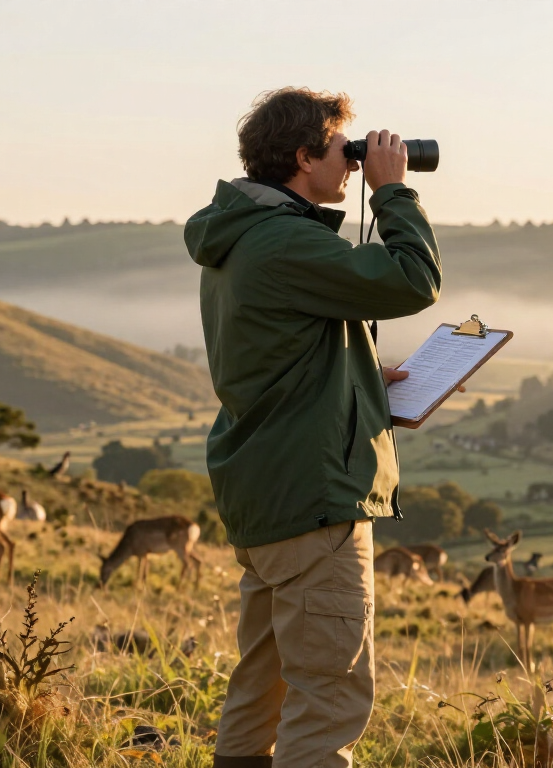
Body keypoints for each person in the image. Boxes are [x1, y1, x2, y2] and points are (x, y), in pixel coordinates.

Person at [184, 87, 441, 768]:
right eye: (343, 151)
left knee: (262, 685)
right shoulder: (285, 242)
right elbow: (414, 280)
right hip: (316, 502)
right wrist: (395, 194)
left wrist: (361, 380)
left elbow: (276, 358)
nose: (356, 165)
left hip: (270, 492)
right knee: (328, 697)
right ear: (303, 156)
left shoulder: (241, 237)